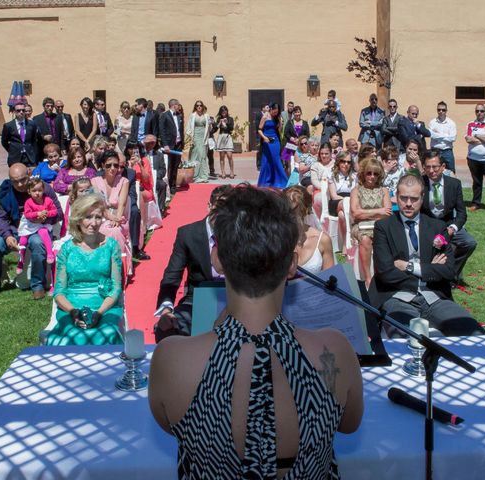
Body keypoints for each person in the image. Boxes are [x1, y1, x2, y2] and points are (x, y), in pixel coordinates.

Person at [148, 185, 363, 479]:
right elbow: (350, 423)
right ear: (292, 264)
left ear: (217, 259)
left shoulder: (171, 358)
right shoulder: (335, 349)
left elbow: (169, 423)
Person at [369, 174, 484, 337]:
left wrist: (409, 266)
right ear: (397, 196)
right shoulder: (383, 227)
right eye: (403, 198)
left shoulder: (437, 226)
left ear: (422, 197)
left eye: (414, 199)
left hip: (435, 297)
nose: (408, 204)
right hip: (397, 296)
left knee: (474, 332)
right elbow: (385, 272)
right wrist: (430, 270)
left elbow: (449, 271)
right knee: (404, 338)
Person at [154, 185, 233, 342]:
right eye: (220, 205)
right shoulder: (188, 234)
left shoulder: (242, 233)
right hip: (196, 300)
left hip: (234, 299)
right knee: (167, 329)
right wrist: (166, 310)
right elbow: (172, 276)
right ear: (209, 206)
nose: (224, 212)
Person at [46, 193, 124, 346]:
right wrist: (73, 312)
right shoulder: (66, 250)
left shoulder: (111, 246)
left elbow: (116, 288)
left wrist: (100, 312)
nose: (94, 223)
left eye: (98, 217)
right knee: (72, 336)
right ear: (78, 219)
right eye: (88, 217)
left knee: (107, 334)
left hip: (105, 307)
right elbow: (59, 292)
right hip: (71, 307)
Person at [0, 163, 63, 298]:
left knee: (38, 243)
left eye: (22, 180)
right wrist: (7, 236)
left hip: (38, 229)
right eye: (15, 181)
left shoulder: (41, 187)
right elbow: (0, 219)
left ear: (29, 175)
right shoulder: (7, 192)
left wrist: (44, 219)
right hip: (15, 229)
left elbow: (59, 212)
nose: (20, 184)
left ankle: (37, 284)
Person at [420, 150, 477, 284]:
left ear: (443, 167)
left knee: (469, 242)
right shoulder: (419, 183)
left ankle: (451, 273)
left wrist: (453, 228)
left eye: (435, 167)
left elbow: (462, 213)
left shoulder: (454, 184)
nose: (431, 170)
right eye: (427, 167)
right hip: (427, 225)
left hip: (448, 225)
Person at [351, 158, 392, 287]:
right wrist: (379, 211)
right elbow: (355, 214)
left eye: (375, 174)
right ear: (363, 173)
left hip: (380, 226)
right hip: (360, 227)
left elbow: (388, 214)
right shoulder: (356, 190)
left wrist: (365, 213)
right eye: (369, 173)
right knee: (365, 239)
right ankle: (368, 278)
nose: (372, 177)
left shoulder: (384, 190)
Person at [284, 186, 334, 273]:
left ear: (306, 210)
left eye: (294, 211)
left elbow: (330, 277)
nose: (288, 215)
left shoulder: (322, 240)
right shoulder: (275, 239)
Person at [91, 151, 130, 258]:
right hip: (101, 216)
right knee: (101, 229)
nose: (112, 168)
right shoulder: (94, 181)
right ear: (103, 165)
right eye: (108, 165)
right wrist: (110, 218)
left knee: (116, 231)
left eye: (116, 165)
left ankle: (118, 264)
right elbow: (100, 205)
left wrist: (116, 219)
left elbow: (122, 204)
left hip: (119, 217)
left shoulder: (124, 181)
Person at [15, 176, 59, 273]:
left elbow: (55, 211)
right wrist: (37, 214)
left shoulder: (47, 200)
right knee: (22, 240)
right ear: (29, 191)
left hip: (43, 223)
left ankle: (50, 253)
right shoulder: (28, 202)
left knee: (43, 232)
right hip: (29, 223)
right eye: (34, 191)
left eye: (39, 190)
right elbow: (27, 214)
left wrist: (47, 213)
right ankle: (21, 261)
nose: (37, 193)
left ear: (43, 190)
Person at [125, 141, 154, 260]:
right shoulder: (124, 162)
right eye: (131, 148)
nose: (133, 151)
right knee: (136, 194)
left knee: (141, 194)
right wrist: (131, 166)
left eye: (135, 148)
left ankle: (142, 224)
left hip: (144, 189)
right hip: (130, 190)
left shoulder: (144, 160)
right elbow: (126, 180)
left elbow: (147, 180)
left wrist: (140, 165)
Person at [257, 102, 288, 188]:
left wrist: (281, 123)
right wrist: (264, 138)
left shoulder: (276, 118)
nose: (275, 113)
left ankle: (281, 181)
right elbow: (259, 130)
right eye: (274, 111)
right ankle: (265, 182)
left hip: (275, 141)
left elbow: (279, 131)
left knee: (276, 160)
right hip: (267, 141)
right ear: (271, 109)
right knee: (266, 161)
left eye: (277, 112)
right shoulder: (265, 116)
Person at [1, 103, 40, 168]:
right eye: (18, 110)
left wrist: (33, 153)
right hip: (15, 157)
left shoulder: (32, 124)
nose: (21, 112)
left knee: (31, 176)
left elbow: (34, 140)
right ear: (14, 112)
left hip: (29, 157)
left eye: (23, 110)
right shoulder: (8, 126)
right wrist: (12, 150)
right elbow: (4, 142)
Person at [159, 99, 185, 192]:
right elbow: (162, 131)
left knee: (175, 165)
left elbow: (181, 130)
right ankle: (167, 186)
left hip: (178, 144)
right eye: (178, 105)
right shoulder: (164, 115)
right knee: (169, 165)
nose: (179, 107)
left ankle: (173, 185)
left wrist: (182, 143)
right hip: (169, 145)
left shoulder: (179, 115)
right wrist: (165, 144)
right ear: (174, 105)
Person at [186, 100, 214, 183]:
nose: (199, 107)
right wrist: (191, 137)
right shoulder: (192, 115)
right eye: (197, 105)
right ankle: (193, 175)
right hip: (195, 136)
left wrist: (211, 124)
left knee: (202, 155)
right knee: (194, 155)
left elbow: (210, 128)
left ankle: (203, 176)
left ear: (202, 106)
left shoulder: (206, 115)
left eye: (200, 105)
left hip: (203, 137)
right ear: (195, 107)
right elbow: (189, 127)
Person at [428, 101, 457, 173]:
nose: (441, 111)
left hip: (447, 151)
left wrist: (438, 135)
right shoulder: (432, 122)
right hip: (435, 151)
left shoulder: (451, 123)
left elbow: (453, 138)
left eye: (443, 110)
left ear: (446, 111)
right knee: (435, 171)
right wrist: (446, 135)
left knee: (451, 172)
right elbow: (431, 135)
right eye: (439, 110)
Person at [143, 134, 168, 213]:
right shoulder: (140, 154)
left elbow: (163, 170)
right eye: (147, 142)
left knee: (162, 185)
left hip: (155, 178)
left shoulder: (159, 155)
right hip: (142, 179)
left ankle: (161, 208)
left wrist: (155, 175)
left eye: (151, 143)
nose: (149, 145)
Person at [33, 97, 63, 164]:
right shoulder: (37, 119)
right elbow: (34, 135)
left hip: (56, 148)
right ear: (44, 106)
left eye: (51, 106)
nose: (50, 108)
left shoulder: (58, 117)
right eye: (48, 106)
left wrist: (63, 148)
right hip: (43, 150)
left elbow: (61, 134)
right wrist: (43, 137)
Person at [310, 142, 335, 217]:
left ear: (331, 154)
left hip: (335, 190)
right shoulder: (315, 165)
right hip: (320, 190)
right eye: (322, 153)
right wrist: (326, 189)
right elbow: (314, 181)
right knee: (321, 198)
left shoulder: (336, 164)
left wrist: (332, 190)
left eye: (326, 154)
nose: (324, 156)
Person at [214, 104, 235, 179]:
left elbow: (231, 128)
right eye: (222, 111)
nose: (224, 112)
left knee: (229, 155)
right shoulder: (219, 119)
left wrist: (226, 124)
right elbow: (215, 129)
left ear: (227, 111)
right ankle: (223, 172)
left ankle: (232, 172)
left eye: (225, 110)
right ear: (220, 112)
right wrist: (219, 123)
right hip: (221, 137)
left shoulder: (230, 119)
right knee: (222, 156)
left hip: (227, 136)